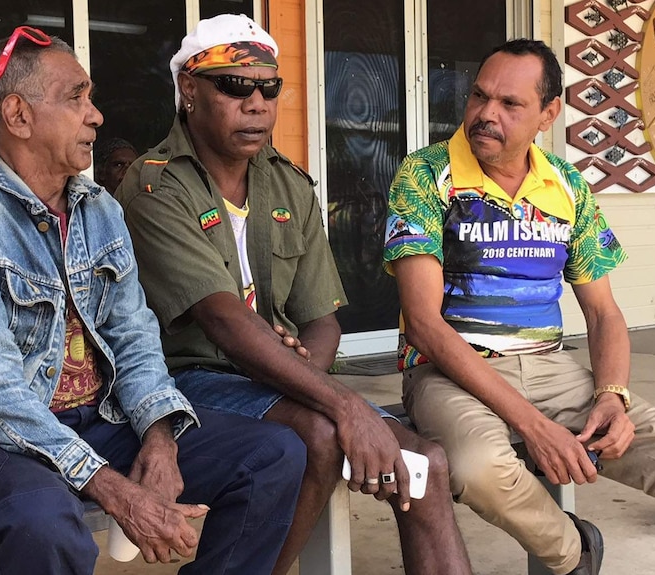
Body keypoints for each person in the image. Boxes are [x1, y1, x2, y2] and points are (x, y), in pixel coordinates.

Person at [0, 26, 306, 575]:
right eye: (76, 97)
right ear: (17, 116)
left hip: (90, 420)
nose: (97, 116)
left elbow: (135, 336)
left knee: (273, 456)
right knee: (46, 518)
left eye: (90, 98)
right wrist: (114, 487)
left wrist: (160, 436)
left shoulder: (98, 210)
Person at [116, 14, 472, 575]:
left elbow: (321, 318)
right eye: (235, 86)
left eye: (270, 87)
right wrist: (341, 403)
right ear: (189, 90)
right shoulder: (155, 184)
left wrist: (307, 373)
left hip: (276, 378)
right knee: (323, 434)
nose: (256, 102)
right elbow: (224, 320)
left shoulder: (290, 183)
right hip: (185, 385)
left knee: (425, 461)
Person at [384, 39, 655, 575]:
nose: (485, 114)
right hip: (449, 372)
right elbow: (425, 326)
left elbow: (604, 314)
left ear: (548, 114)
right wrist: (535, 427)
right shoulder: (426, 176)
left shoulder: (567, 187)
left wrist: (612, 395)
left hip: (552, 368)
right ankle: (574, 552)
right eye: (479, 96)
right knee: (478, 467)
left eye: (509, 104)